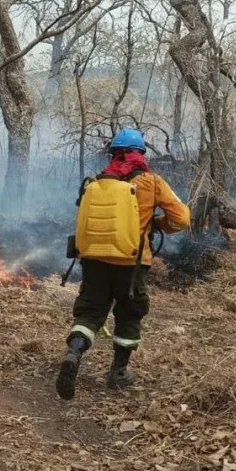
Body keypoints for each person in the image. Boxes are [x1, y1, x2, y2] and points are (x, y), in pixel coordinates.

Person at [56, 128, 190, 401]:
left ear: (113, 154)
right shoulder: (152, 182)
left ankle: (74, 352)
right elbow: (183, 219)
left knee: (90, 312)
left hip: (93, 259)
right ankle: (118, 373)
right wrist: (157, 224)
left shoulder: (95, 182)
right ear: (141, 153)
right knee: (129, 314)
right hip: (131, 263)